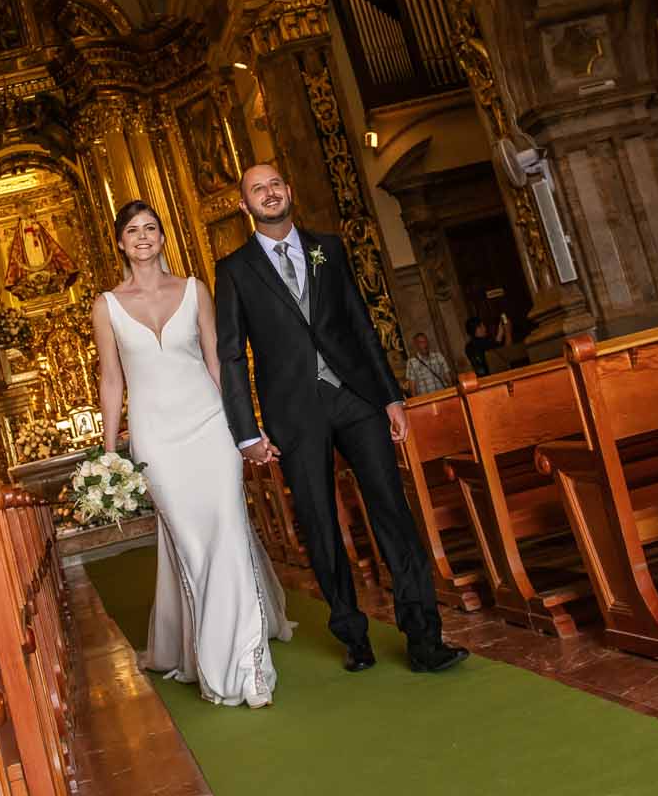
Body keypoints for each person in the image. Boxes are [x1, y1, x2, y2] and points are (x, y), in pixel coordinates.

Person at [214, 163, 468, 675]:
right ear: (244, 206)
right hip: (292, 411)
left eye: (275, 184)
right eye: (257, 189)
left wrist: (390, 396)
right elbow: (232, 355)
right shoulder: (234, 270)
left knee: (392, 510)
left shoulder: (327, 247)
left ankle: (424, 638)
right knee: (319, 521)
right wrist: (246, 431)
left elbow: (359, 322)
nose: (269, 193)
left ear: (289, 191)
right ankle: (353, 634)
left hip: (355, 396)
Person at [93, 200, 293, 707]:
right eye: (133, 230)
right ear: (120, 243)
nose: (143, 237)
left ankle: (248, 667)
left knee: (229, 534)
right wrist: (109, 452)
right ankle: (212, 653)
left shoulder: (194, 290)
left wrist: (244, 429)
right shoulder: (106, 305)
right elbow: (111, 380)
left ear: (163, 237)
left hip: (210, 426)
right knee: (194, 548)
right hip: (156, 439)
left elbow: (218, 362)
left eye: (151, 228)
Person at [403, 331, 453, 395]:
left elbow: (448, 377)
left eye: (426, 341)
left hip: (442, 394)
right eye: (421, 342)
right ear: (416, 345)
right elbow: (412, 387)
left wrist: (452, 392)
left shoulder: (438, 356)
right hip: (426, 398)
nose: (425, 344)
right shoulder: (411, 363)